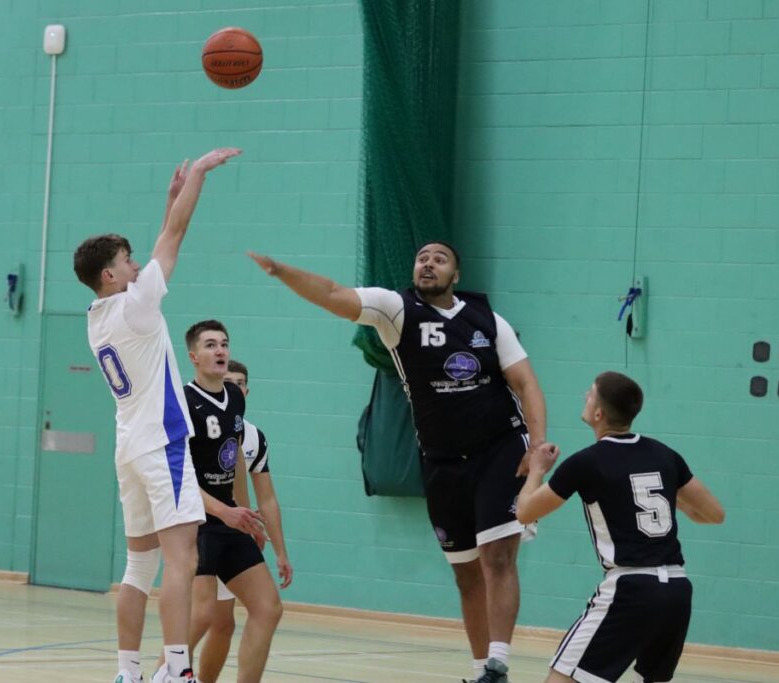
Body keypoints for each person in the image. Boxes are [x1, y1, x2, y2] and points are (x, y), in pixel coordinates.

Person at [248, 242, 548, 683]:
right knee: (466, 575)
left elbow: (526, 382)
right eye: (422, 258)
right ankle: (481, 670)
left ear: (456, 275)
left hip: (500, 449)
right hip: (442, 461)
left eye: (439, 259)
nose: (428, 263)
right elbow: (332, 293)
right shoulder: (396, 310)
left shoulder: (488, 320)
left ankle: (498, 664)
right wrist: (280, 270)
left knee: (498, 557)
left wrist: (536, 445)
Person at [73, 146, 241, 683]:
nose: (137, 265)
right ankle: (178, 670)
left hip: (129, 446)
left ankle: (128, 671)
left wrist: (171, 198)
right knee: (182, 560)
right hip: (162, 444)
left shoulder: (98, 315)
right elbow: (175, 237)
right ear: (110, 274)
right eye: (127, 261)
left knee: (139, 565)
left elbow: (161, 242)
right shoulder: (137, 306)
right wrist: (198, 176)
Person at [515, 371, 725, 683]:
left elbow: (525, 512)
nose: (585, 397)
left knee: (561, 679)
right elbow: (714, 514)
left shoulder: (586, 462)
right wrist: (671, 497)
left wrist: (537, 470)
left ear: (598, 413)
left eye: (589, 394)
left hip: (630, 589)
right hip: (677, 590)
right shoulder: (665, 454)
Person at [179, 321, 284, 683]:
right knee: (203, 615)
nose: (220, 350)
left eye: (224, 343)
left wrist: (244, 513)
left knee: (268, 607)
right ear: (194, 356)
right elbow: (177, 476)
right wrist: (224, 511)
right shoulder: (183, 402)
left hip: (229, 518)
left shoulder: (234, 398)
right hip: (195, 521)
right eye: (210, 345)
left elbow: (235, 456)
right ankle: (164, 674)